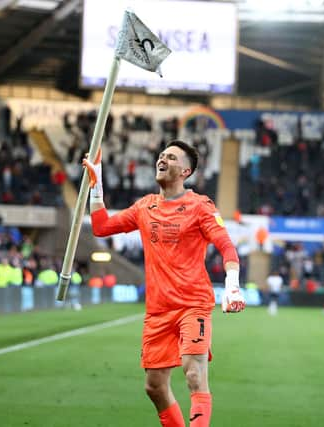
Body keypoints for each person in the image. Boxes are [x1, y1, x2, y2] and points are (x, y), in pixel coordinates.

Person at [83, 140, 245, 427]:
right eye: (161, 155)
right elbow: (101, 227)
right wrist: (96, 185)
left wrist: (232, 284)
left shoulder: (200, 206)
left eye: (171, 157)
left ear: (185, 171)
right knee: (154, 386)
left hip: (192, 304)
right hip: (158, 310)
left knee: (194, 374)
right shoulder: (145, 206)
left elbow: (226, 246)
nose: (162, 159)